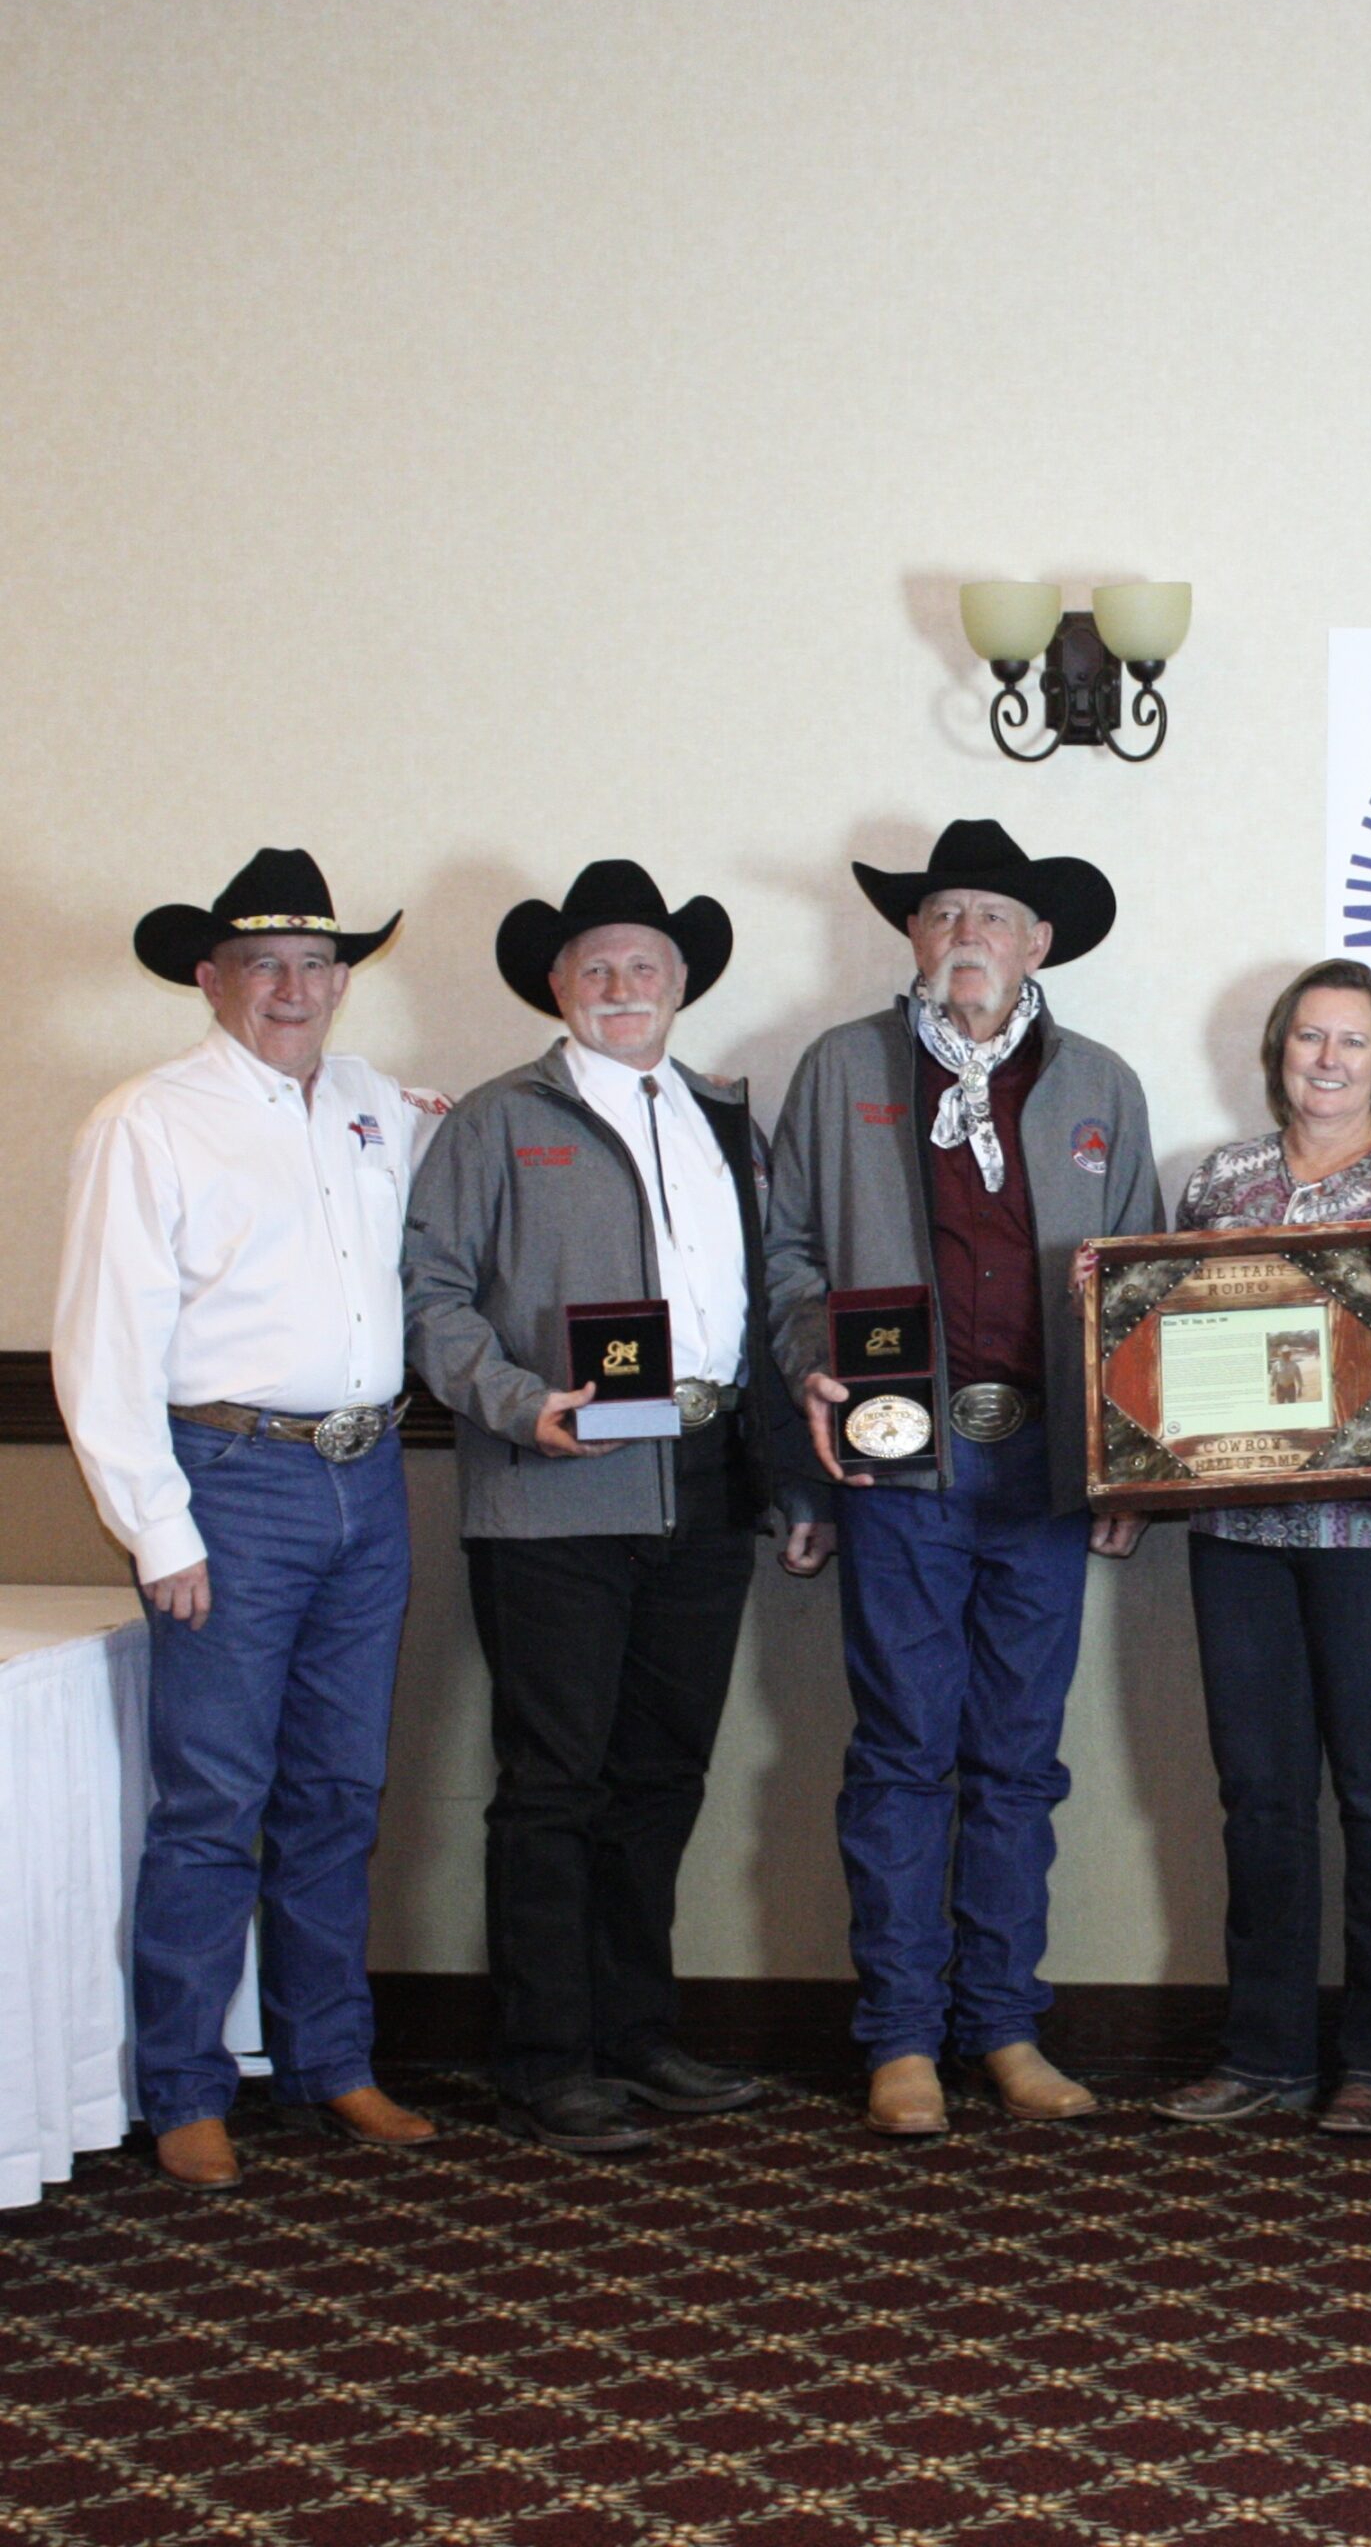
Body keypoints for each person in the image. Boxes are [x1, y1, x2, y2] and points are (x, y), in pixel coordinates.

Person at [405, 861, 824, 2155]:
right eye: (595, 968)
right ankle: (545, 2056)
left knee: (660, 1775)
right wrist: (518, 1400)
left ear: (681, 985)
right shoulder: (493, 1120)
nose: (621, 987)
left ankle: (637, 2035)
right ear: (555, 985)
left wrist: (791, 1481)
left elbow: (761, 1316)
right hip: (554, 1493)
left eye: (644, 966)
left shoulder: (721, 1120)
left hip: (701, 1489)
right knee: (553, 1784)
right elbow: (429, 1293)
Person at [766, 818, 1161, 2137]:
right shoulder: (840, 1070)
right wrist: (817, 1364)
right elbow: (788, 1262)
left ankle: (1001, 2024)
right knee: (900, 1753)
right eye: (945, 919)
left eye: (994, 920)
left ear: (1039, 943)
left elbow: (1141, 1293)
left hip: (1045, 1471)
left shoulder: (1101, 1082)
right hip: (904, 1471)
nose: (968, 941)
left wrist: (1128, 1475)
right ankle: (897, 2041)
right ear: (913, 941)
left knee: (1017, 1761)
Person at [55, 849, 443, 2191]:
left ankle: (332, 2061)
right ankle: (184, 2090)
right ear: (210, 980)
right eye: (264, 966)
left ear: (346, 980)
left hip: (368, 1479)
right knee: (215, 1800)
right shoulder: (147, 1121)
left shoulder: (377, 1106)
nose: (294, 988)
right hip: (229, 1482)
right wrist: (158, 1531)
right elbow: (102, 1344)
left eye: (317, 965)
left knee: (339, 1791)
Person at [1146, 960, 1371, 2137]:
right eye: (1306, 1041)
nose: (1326, 1062)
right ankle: (1264, 2050)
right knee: (1259, 1797)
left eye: (1350, 1042)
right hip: (1239, 1532)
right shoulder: (1221, 1179)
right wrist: (1139, 1464)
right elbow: (1168, 1346)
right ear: (1276, 1053)